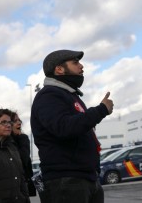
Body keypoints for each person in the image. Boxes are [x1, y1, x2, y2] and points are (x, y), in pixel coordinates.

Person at [31, 50, 114, 203]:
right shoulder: (49, 95)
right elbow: (64, 127)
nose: (81, 66)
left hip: (84, 178)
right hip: (66, 181)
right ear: (59, 69)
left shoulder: (69, 95)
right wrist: (101, 110)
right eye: (75, 63)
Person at [11, 111, 36, 197]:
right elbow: (22, 159)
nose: (19, 123)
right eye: (15, 121)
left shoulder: (22, 138)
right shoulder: (7, 142)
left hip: (24, 187)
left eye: (19, 120)